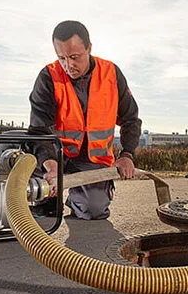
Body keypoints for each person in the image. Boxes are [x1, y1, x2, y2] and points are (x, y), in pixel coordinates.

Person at [28, 20, 142, 220]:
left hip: (91, 160)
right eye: (61, 57)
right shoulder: (48, 77)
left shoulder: (111, 74)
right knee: (14, 148)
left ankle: (76, 199)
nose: (68, 65)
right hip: (56, 155)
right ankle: (47, 202)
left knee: (93, 209)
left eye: (74, 57)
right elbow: (39, 130)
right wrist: (50, 164)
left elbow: (131, 119)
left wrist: (127, 155)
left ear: (89, 48)